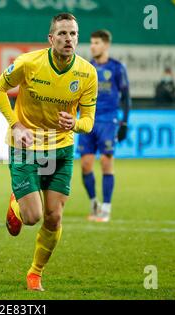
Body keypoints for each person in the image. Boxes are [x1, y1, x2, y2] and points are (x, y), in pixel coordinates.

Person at [0, 13, 97, 291]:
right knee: (31, 217)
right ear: (51, 39)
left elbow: (88, 121)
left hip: (61, 151)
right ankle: (17, 201)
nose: (68, 39)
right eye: (62, 34)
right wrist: (15, 125)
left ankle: (35, 272)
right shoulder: (28, 63)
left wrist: (75, 123)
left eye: (73, 34)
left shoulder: (87, 73)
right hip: (25, 147)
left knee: (54, 216)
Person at [78, 30, 131, 223]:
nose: (92, 46)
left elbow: (126, 98)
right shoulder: (86, 67)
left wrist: (124, 122)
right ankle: (94, 203)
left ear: (106, 45)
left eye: (97, 43)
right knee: (85, 165)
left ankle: (106, 208)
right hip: (87, 119)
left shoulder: (117, 68)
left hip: (108, 120)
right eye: (91, 42)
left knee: (106, 163)